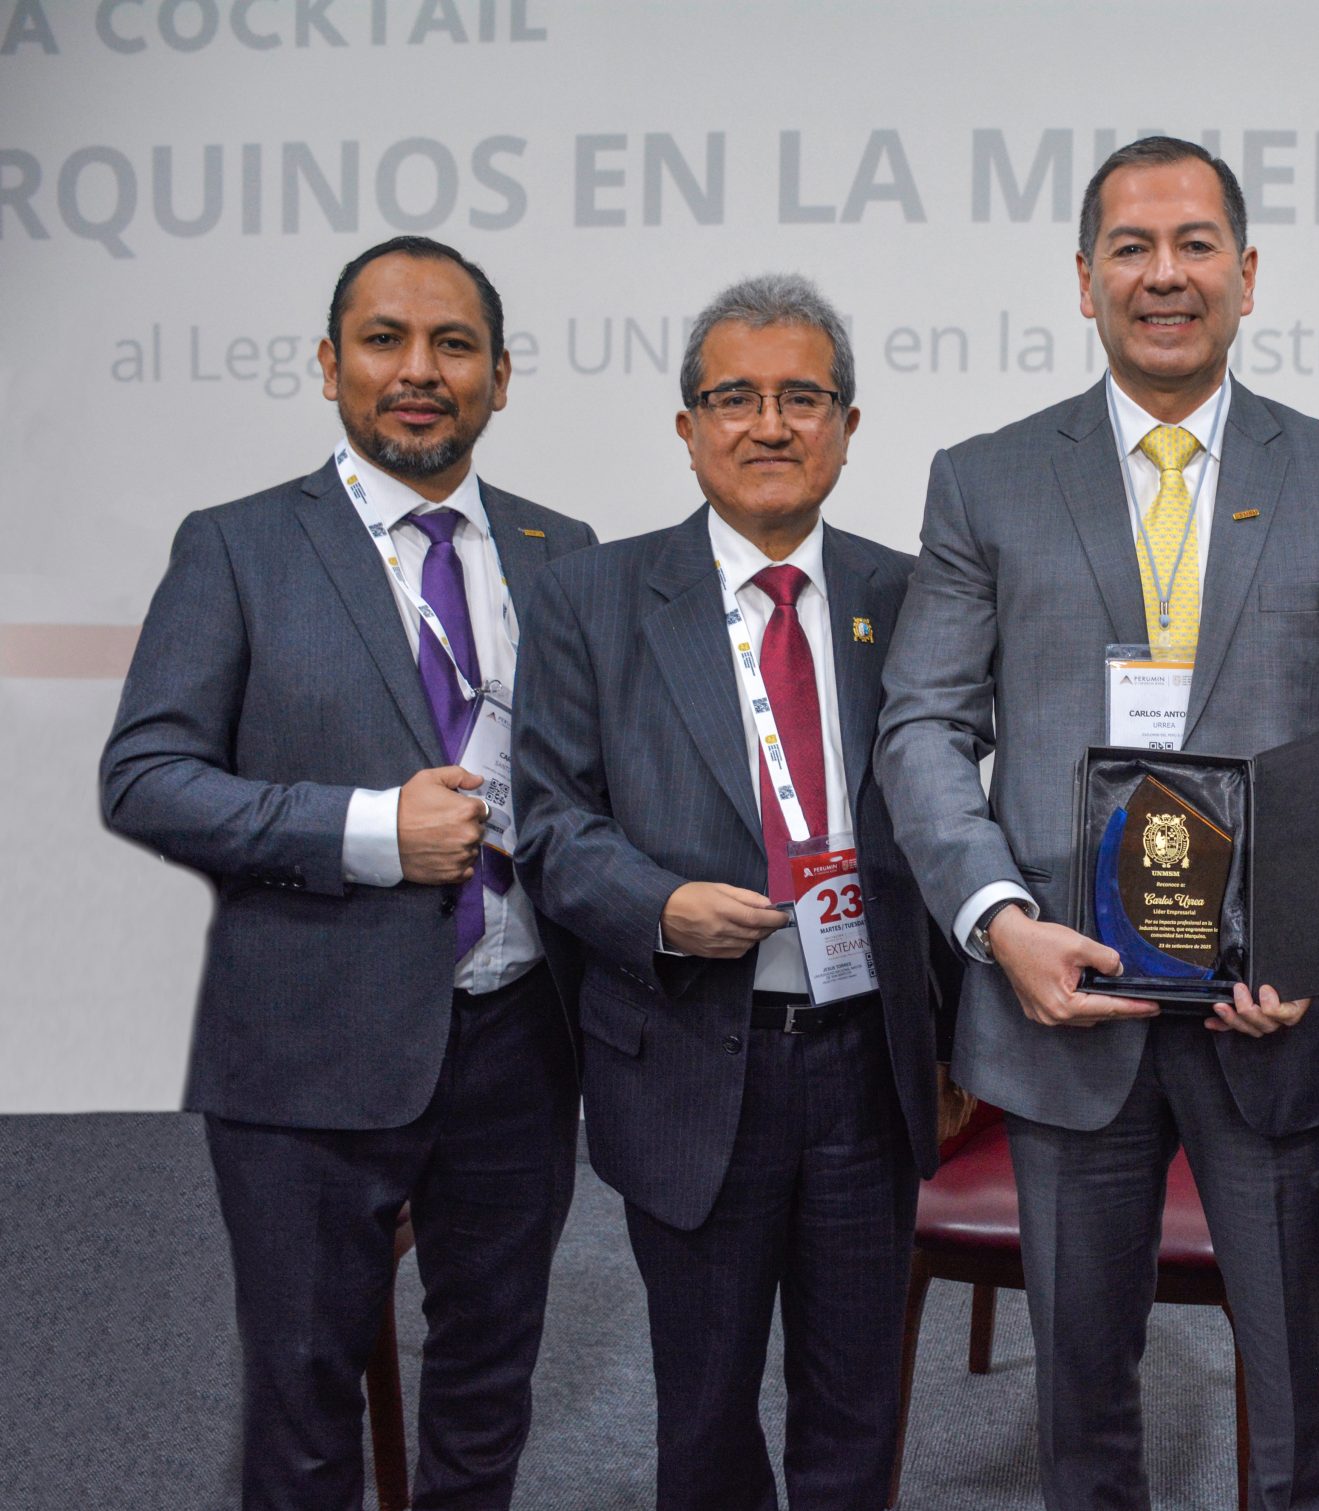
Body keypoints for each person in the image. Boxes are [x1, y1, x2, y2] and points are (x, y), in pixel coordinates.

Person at [875, 136, 1319, 1510]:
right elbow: (922, 726)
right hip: (1061, 1002)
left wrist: (1314, 938)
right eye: (1131, 247)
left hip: (1278, 1011)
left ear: (1246, 273)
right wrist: (999, 924)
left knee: (1304, 1382)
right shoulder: (985, 479)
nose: (1163, 274)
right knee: (1079, 1390)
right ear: (1084, 279)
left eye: (1194, 245)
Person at [100, 236, 591, 1510]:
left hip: (519, 1039)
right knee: (306, 1399)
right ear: (330, 365)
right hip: (306, 1041)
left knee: (489, 1384)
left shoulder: (562, 550)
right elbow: (145, 775)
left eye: (453, 344)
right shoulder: (238, 546)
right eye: (384, 340)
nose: (418, 370)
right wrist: (370, 829)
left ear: (499, 376)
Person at [512, 273, 963, 1511]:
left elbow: (958, 810)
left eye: (801, 397)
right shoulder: (592, 597)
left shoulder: (908, 596)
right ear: (687, 425)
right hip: (690, 1052)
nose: (769, 424)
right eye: (735, 398)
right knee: (704, 1406)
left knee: (857, 1399)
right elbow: (549, 820)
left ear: (847, 425)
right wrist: (659, 908)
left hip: (867, 1057)